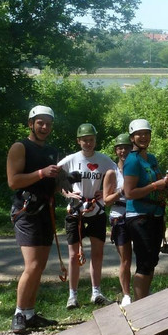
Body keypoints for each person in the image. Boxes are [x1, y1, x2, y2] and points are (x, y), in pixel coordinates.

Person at [6, 105, 63, 334]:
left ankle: (29, 313)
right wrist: (41, 173)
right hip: (27, 212)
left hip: (45, 211)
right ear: (31, 124)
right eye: (40, 122)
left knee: (39, 267)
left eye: (48, 123)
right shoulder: (20, 147)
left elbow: (55, 184)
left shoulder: (52, 151)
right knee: (32, 266)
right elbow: (13, 181)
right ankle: (19, 313)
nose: (44, 127)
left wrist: (68, 184)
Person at [57, 123, 116, 309]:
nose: (88, 143)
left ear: (95, 140)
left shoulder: (104, 160)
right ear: (78, 141)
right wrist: (66, 193)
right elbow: (54, 176)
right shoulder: (72, 159)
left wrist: (106, 193)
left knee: (97, 253)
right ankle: (72, 296)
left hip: (97, 211)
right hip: (75, 212)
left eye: (91, 140)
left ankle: (96, 292)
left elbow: (118, 177)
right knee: (74, 256)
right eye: (84, 140)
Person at [121, 118, 168, 300]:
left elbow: (158, 183)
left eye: (146, 133)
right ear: (132, 138)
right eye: (139, 134)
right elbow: (129, 193)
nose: (143, 137)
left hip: (155, 214)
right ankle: (139, 306)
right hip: (139, 216)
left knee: (151, 261)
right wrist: (155, 186)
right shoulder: (132, 161)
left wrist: (165, 184)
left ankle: (144, 300)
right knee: (144, 262)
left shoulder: (151, 158)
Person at [108, 132, 135, 306]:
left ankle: (140, 289)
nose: (123, 151)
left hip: (137, 213)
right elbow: (106, 199)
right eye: (120, 148)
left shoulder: (136, 167)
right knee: (125, 258)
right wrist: (120, 192)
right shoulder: (112, 172)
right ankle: (126, 294)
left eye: (126, 147)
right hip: (119, 215)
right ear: (116, 151)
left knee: (142, 254)